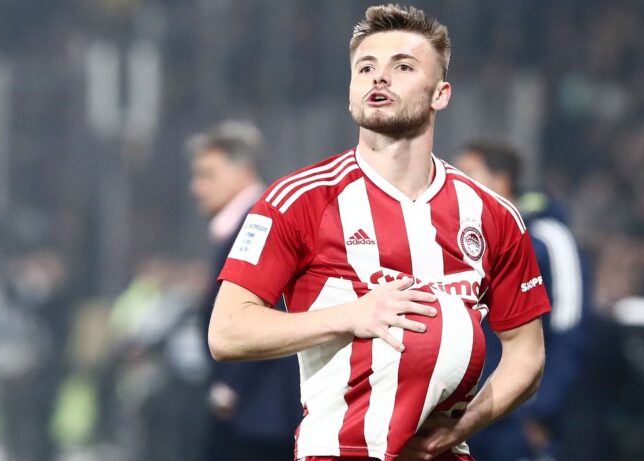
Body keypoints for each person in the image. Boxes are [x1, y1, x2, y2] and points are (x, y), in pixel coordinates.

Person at [209, 6, 550, 461]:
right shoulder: (299, 200)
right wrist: (351, 315)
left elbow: (527, 355)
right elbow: (227, 332)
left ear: (440, 94)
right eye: (365, 68)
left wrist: (461, 428)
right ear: (351, 90)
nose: (379, 78)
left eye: (403, 67)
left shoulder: (494, 215)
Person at [455, 142, 594, 461]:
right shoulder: (455, 241)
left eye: (468, 173)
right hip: (461, 420)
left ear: (501, 181)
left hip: (519, 423)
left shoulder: (548, 239)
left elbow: (570, 331)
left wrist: (542, 411)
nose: (455, 183)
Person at [188, 120, 301, 461]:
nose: (197, 187)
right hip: (252, 412)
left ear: (243, 171)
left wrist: (231, 385)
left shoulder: (259, 223)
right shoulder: (248, 224)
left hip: (259, 415)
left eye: (208, 174)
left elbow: (267, 309)